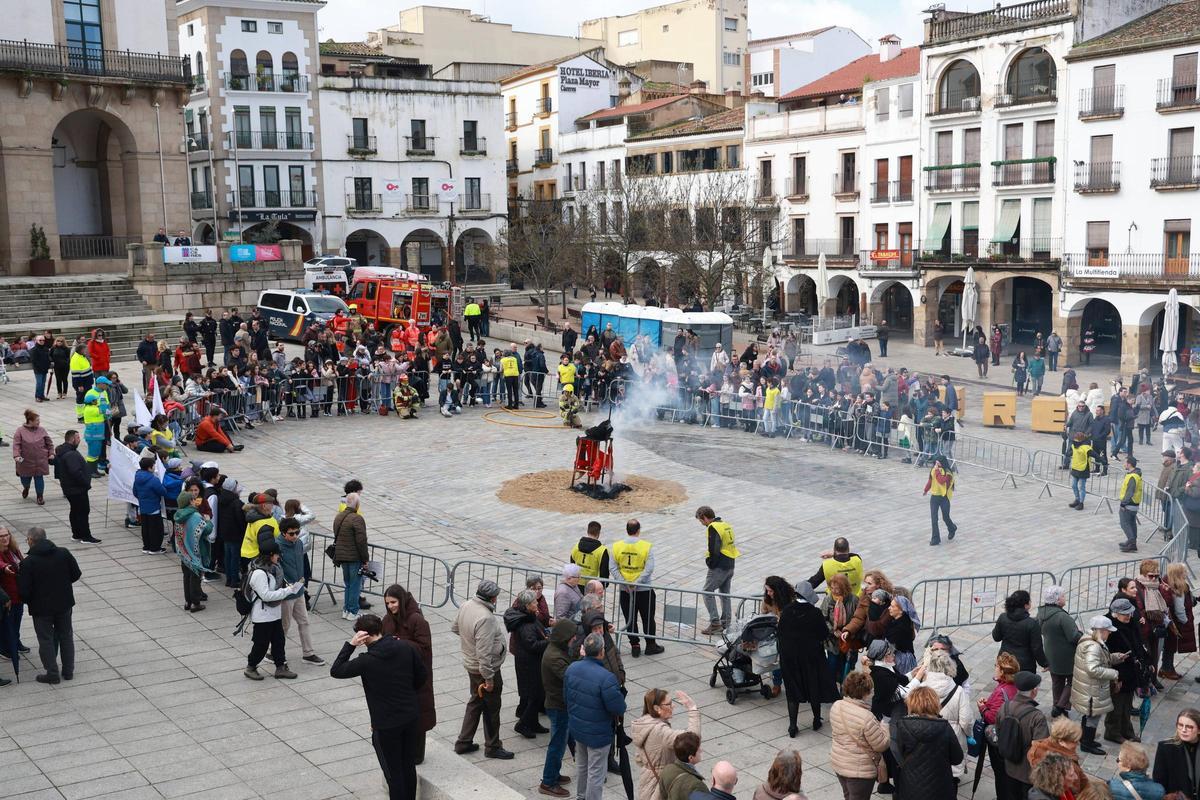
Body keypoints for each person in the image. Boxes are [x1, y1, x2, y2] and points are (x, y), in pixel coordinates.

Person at [330, 614, 427, 800]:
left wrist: (350, 645)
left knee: (393, 772)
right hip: (410, 716)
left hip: (386, 724)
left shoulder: (366, 661)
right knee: (408, 765)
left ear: (363, 636)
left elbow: (336, 670)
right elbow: (421, 676)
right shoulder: (405, 647)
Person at [452, 580, 512, 759]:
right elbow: (484, 654)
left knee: (476, 701)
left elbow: (456, 628)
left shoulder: (466, 605)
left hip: (471, 665)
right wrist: (489, 678)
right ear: (493, 598)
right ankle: (493, 746)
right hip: (484, 669)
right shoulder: (485, 617)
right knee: (492, 707)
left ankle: (463, 742)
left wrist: (469, 642)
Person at [565, 632, 627, 800]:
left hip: (578, 729)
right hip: (598, 734)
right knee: (596, 773)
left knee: (582, 767)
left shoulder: (571, 669)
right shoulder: (606, 678)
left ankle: (581, 796)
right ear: (601, 652)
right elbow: (618, 707)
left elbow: (567, 698)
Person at [776, 578, 839, 736]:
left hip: (790, 659)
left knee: (793, 691)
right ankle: (816, 720)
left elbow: (780, 634)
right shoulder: (815, 613)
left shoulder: (787, 611)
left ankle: (792, 726)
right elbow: (823, 634)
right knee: (813, 688)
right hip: (812, 659)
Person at [17, 527, 81, 684]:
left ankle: (52, 673)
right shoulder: (63, 553)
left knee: (45, 639)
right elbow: (76, 574)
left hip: (41, 609)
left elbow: (24, 591)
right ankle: (68, 671)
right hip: (64, 604)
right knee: (66, 636)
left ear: (31, 541)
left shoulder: (29, 562)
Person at [380, 585, 435, 764]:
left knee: (419, 717)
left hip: (416, 678)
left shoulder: (417, 620)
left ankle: (417, 755)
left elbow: (424, 648)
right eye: (388, 603)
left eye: (394, 602)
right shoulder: (387, 620)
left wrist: (399, 643)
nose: (390, 606)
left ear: (402, 600)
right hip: (396, 677)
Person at [242, 539, 302, 680]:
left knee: (279, 642)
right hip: (262, 616)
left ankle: (280, 667)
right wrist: (288, 591)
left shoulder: (271, 569)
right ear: (269, 555)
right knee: (261, 644)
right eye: (276, 555)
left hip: (274, 614)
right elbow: (266, 596)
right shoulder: (259, 574)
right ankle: (251, 667)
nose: (278, 557)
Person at [890, 686, 962, 798]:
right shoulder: (944, 726)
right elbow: (957, 758)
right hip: (940, 787)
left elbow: (900, 753)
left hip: (911, 785)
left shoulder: (902, 725)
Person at [632, 688, 701, 800]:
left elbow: (639, 759)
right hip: (660, 786)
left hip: (647, 781)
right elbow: (692, 740)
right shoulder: (661, 731)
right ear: (657, 708)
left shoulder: (644, 723)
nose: (673, 706)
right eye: (669, 704)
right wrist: (692, 709)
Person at [830, 671, 889, 800]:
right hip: (859, 772)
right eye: (872, 690)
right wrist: (885, 725)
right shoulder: (866, 717)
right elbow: (881, 745)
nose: (873, 693)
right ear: (865, 694)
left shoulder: (836, 706)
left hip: (839, 764)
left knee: (848, 795)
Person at [994, 671, 1050, 798]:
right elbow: (1041, 751)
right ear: (1034, 691)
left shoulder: (1005, 707)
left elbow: (998, 732)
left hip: (1008, 768)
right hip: (1027, 775)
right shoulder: (1036, 717)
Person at [612, 519, 663, 657]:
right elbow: (649, 568)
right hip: (644, 590)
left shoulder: (616, 546)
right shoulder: (646, 546)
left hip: (625, 590)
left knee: (630, 618)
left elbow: (613, 567)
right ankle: (650, 645)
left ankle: (634, 645)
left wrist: (625, 583)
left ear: (626, 530)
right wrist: (637, 583)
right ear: (638, 530)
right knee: (648, 618)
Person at [1071, 616, 1121, 755]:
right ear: (1100, 631)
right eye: (1107, 630)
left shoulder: (1092, 641)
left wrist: (1116, 657)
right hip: (1091, 690)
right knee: (1092, 717)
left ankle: (1086, 740)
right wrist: (1113, 673)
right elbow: (1093, 669)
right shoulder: (1094, 646)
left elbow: (1101, 660)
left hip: (1089, 688)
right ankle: (1087, 744)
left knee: (1089, 716)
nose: (1110, 633)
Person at [539, 619, 578, 797]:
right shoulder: (555, 657)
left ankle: (554, 774)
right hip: (558, 706)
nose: (575, 639)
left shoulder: (558, 650)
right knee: (557, 745)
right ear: (565, 637)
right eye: (572, 636)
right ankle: (548, 782)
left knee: (560, 743)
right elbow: (571, 677)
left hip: (560, 704)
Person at [277, 517, 323, 665]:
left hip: (299, 590)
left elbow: (301, 564)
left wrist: (303, 582)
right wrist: (286, 586)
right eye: (291, 533)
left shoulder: (298, 544)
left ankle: (308, 653)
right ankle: (274, 652)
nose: (295, 536)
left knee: (304, 621)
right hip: (286, 592)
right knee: (284, 625)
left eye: (297, 532)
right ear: (284, 533)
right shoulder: (277, 547)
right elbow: (277, 570)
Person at [506, 588, 550, 739]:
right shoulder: (525, 624)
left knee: (536, 694)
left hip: (531, 663)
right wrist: (548, 642)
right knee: (535, 696)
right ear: (526, 605)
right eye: (533, 602)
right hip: (529, 665)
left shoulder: (529, 617)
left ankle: (533, 723)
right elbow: (531, 645)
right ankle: (523, 724)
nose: (536, 604)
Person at [978, 653, 1020, 800]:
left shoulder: (1002, 692)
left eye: (996, 666)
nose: (994, 668)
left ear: (1002, 671)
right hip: (1012, 739)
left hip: (1000, 741)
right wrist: (988, 704)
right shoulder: (1013, 687)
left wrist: (983, 708)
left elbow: (993, 718)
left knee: (1001, 775)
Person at [1105, 598, 1146, 745]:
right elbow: (1108, 657)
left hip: (1131, 670)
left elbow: (1138, 643)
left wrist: (1145, 661)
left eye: (1129, 613)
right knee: (1116, 705)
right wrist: (1117, 678)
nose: (1128, 616)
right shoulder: (1109, 629)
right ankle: (1113, 732)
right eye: (1125, 614)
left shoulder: (1130, 623)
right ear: (1115, 614)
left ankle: (1126, 730)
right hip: (1118, 673)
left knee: (1127, 703)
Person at [1038, 586, 1082, 718]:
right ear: (1057, 599)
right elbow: (1074, 637)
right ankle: (1059, 706)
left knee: (1057, 682)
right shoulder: (1062, 616)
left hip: (1051, 654)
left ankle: (1057, 706)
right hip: (1067, 656)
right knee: (1073, 680)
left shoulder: (1041, 613)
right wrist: (1080, 632)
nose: (1065, 598)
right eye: (1063, 596)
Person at [53, 429, 100, 545]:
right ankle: (86, 536)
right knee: (82, 511)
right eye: (78, 438)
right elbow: (75, 472)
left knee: (75, 511)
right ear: (73, 439)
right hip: (76, 488)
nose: (80, 440)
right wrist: (85, 483)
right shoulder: (71, 454)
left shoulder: (65, 451)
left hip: (70, 488)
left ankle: (77, 534)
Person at [697, 505, 738, 635]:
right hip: (730, 563)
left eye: (700, 520)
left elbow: (714, 548)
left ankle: (715, 623)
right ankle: (726, 622)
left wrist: (710, 563)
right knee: (725, 594)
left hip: (719, 566)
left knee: (707, 591)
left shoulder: (713, 527)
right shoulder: (726, 525)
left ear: (704, 517)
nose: (702, 523)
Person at [992, 589, 1049, 673]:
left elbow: (996, 637)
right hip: (1025, 665)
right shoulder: (1032, 624)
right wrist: (1045, 663)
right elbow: (1036, 648)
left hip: (1005, 661)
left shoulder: (1003, 617)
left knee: (1005, 685)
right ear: (1026, 605)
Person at [1028, 719, 1088, 796]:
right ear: (1061, 741)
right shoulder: (1060, 760)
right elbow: (1075, 786)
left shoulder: (1061, 748)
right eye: (1074, 741)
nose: (1078, 744)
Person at [174, 489, 212, 612]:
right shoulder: (194, 516)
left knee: (186, 576)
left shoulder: (178, 515)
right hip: (196, 551)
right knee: (195, 577)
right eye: (192, 499)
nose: (194, 500)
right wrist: (207, 521)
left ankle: (188, 601)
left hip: (184, 551)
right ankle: (196, 603)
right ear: (189, 501)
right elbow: (206, 530)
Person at [333, 493, 369, 621]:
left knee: (348, 584)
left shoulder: (339, 517)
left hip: (342, 556)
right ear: (357, 505)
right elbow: (361, 541)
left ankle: (346, 609)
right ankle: (353, 611)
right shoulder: (357, 518)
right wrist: (365, 559)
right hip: (354, 557)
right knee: (355, 585)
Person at [1152, 708, 1200, 797]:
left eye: (1189, 727)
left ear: (1199, 730)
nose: (1183, 730)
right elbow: (1159, 782)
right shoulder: (1166, 748)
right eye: (1180, 725)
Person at [1160, 562, 1195, 681]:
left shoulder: (1169, 583)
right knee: (1170, 646)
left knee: (1169, 645)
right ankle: (1166, 669)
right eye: (1185, 571)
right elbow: (1180, 609)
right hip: (1176, 623)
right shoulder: (1178, 587)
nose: (1187, 573)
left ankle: (1167, 668)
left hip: (1171, 621)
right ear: (1179, 574)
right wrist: (1185, 621)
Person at [13, 409, 53, 505]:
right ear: (30, 421)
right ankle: (26, 487)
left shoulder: (42, 430)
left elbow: (49, 443)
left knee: (39, 478)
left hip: (40, 460)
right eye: (37, 420)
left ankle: (40, 496)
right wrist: (17, 455)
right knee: (25, 479)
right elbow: (16, 445)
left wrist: (51, 453)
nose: (39, 422)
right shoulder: (20, 431)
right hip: (25, 461)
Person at [133, 455, 169, 554]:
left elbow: (135, 492)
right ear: (149, 468)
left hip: (143, 507)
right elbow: (163, 492)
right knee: (156, 529)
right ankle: (155, 548)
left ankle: (146, 547)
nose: (154, 468)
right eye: (153, 466)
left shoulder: (137, 477)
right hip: (154, 508)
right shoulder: (153, 479)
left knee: (145, 528)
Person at [658, 733, 706, 800]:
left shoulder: (667, 770)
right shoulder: (696, 785)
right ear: (691, 758)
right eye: (698, 750)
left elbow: (663, 796)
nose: (701, 750)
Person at [923, 454, 957, 545]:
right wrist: (926, 490)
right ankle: (935, 539)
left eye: (938, 462)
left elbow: (941, 481)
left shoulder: (948, 473)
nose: (936, 464)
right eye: (936, 462)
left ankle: (952, 528)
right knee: (934, 519)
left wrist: (936, 470)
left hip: (944, 497)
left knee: (945, 517)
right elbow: (931, 481)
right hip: (934, 497)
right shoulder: (934, 470)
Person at [1119, 456, 1144, 552]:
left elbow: (1130, 492)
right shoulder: (1136, 474)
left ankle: (1131, 541)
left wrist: (1123, 503)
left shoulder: (1132, 477)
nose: (1124, 464)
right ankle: (1132, 542)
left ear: (1129, 464)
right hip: (1134, 504)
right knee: (1132, 523)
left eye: (1125, 462)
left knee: (1125, 523)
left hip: (1129, 504)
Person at [1068, 431, 1094, 510]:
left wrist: (1103, 461)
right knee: (1073, 485)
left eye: (1076, 439)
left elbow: (1094, 454)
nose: (1075, 441)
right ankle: (1077, 499)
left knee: (1082, 487)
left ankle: (1081, 503)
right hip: (1075, 468)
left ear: (1080, 440)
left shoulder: (1086, 447)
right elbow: (1070, 452)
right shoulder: (1074, 445)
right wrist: (1068, 454)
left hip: (1083, 469)